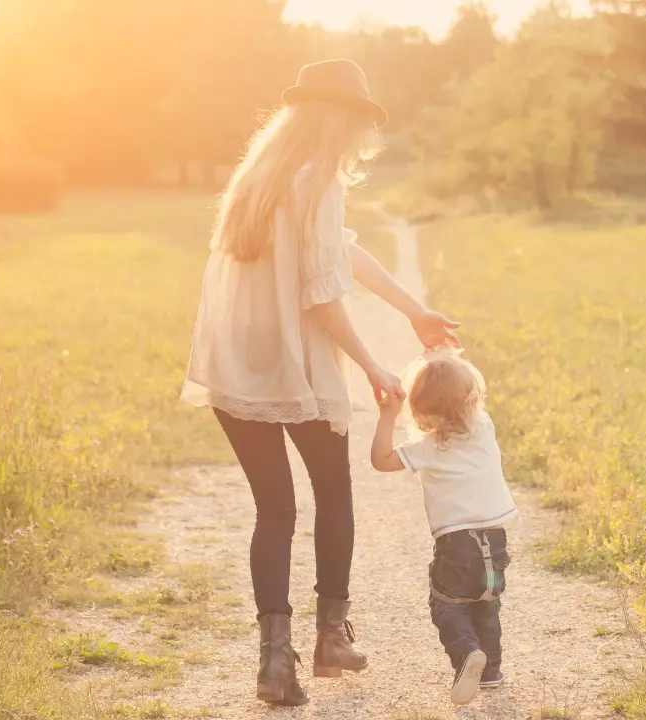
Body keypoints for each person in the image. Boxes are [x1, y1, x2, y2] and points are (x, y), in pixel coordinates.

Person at [181, 59, 460, 707]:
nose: (365, 136)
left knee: (274, 508)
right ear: (344, 119)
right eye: (362, 122)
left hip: (235, 365)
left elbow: (341, 252)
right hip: (293, 365)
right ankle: (331, 639)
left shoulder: (261, 178)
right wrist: (370, 364)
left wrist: (412, 311)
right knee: (334, 492)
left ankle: (275, 663)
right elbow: (324, 295)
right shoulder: (319, 182)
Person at [370, 349, 517, 706]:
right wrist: (445, 355)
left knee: (447, 603)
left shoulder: (427, 447)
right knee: (486, 602)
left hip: (455, 543)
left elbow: (380, 461)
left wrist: (387, 415)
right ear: (472, 397)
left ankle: (467, 653)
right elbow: (464, 388)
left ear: (421, 410)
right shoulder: (484, 427)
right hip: (496, 538)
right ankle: (492, 670)